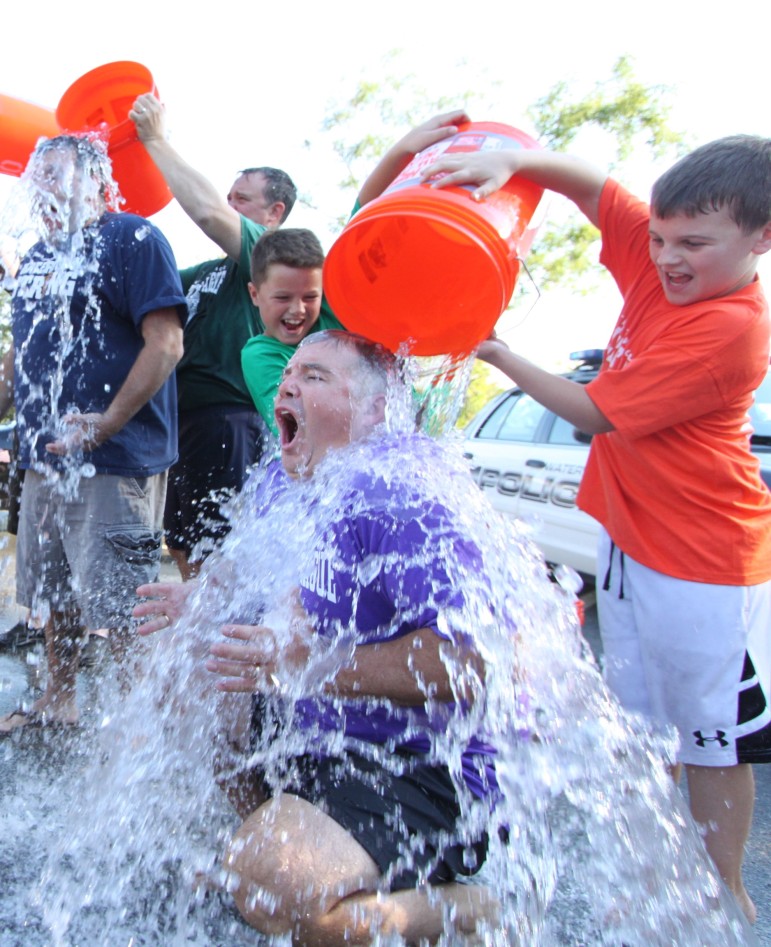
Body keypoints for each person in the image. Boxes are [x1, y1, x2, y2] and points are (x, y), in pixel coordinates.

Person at [420, 134, 771, 922]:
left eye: (692, 244)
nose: (667, 257)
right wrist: (514, 167)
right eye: (659, 238)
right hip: (629, 534)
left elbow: (595, 411)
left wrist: (496, 350)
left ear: (761, 238)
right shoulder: (664, 259)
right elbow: (594, 189)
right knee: (638, 724)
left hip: (704, 557)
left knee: (707, 736)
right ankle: (655, 876)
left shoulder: (730, 326)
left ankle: (722, 886)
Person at [134, 331, 502, 944]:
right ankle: (284, 848)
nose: (288, 383)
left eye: (317, 376)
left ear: (374, 408)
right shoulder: (284, 480)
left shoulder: (403, 493)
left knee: (278, 890)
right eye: (291, 372)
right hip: (319, 729)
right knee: (193, 681)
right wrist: (196, 598)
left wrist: (308, 665)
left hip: (414, 763)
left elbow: (474, 660)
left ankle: (473, 907)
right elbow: (243, 568)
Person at [0, 133, 186, 733]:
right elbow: (19, 355)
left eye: (55, 173)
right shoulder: (37, 256)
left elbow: (167, 343)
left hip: (116, 458)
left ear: (96, 180)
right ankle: (60, 697)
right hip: (43, 460)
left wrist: (107, 424)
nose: (43, 187)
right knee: (51, 591)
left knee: (126, 604)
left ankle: (144, 731)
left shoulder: (134, 238)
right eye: (39, 175)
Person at [130, 93, 308, 579]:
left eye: (242, 199)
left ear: (273, 213)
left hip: (232, 424)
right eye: (228, 196)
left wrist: (153, 140)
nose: (229, 205)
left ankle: (230, 648)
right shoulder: (203, 272)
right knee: (186, 550)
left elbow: (207, 212)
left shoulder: (266, 255)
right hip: (183, 427)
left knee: (222, 560)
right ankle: (201, 651)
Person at [240, 228, 325, 435]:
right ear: (254, 294)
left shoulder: (338, 310)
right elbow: (297, 431)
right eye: (283, 298)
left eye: (310, 297)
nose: (298, 309)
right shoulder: (260, 356)